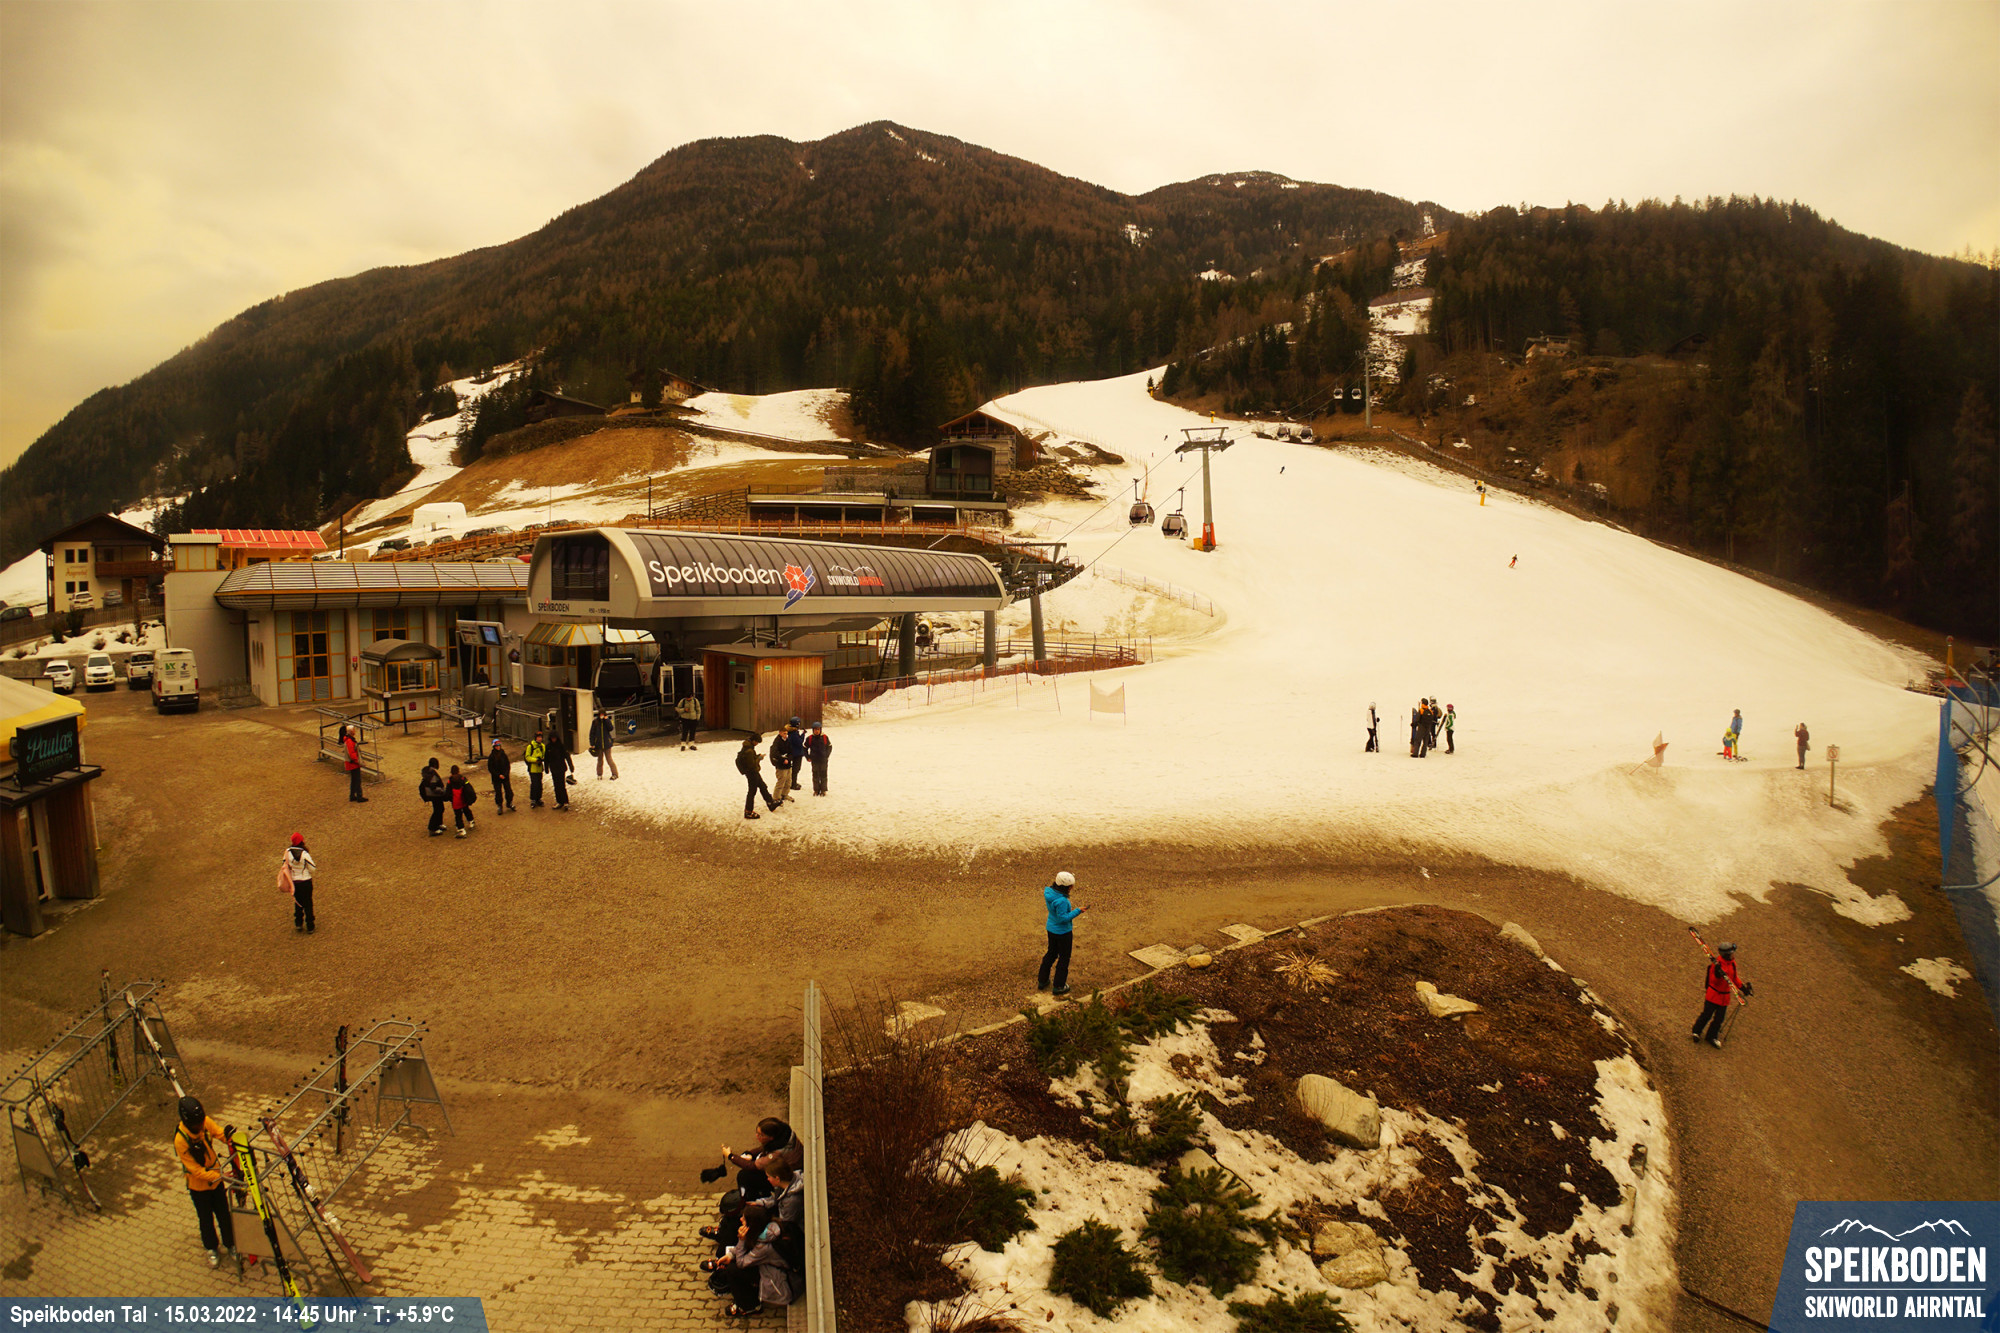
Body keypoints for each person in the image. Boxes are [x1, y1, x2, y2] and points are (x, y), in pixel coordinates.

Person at [174, 1096, 237, 1269]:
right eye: (197, 1125)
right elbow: (195, 1170)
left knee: (224, 1214)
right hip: (199, 1188)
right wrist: (219, 1176)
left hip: (216, 1182)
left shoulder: (205, 1122)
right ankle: (211, 1248)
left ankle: (230, 1244)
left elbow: (218, 1133)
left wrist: (231, 1139)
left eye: (201, 1123)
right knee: (206, 1219)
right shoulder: (180, 1140)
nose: (201, 1127)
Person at [1691, 941, 1752, 1048]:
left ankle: (1711, 1036)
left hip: (1724, 998)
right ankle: (1696, 1031)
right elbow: (1713, 981)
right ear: (1726, 954)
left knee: (1719, 1019)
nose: (1733, 955)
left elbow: (1734, 978)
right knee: (1706, 1015)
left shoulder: (1732, 964)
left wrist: (1743, 988)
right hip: (1713, 996)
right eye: (1731, 953)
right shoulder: (1716, 965)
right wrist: (1717, 974)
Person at [1038, 870, 1086, 997]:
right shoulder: (1062, 901)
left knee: (1051, 953)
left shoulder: (1050, 893)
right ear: (1067, 887)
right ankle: (1059, 985)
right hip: (1063, 932)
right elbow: (1063, 918)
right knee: (1064, 958)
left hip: (1051, 928)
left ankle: (1042, 980)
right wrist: (1078, 911)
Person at [282, 833, 317, 933]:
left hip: (294, 882)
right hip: (305, 881)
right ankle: (310, 925)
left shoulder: (287, 852)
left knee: (298, 903)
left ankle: (298, 923)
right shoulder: (304, 854)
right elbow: (313, 868)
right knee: (308, 903)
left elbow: (284, 865)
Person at [737, 736, 779, 819]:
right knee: (752, 791)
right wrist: (759, 758)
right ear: (753, 741)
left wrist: (757, 756)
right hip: (751, 773)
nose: (757, 744)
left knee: (763, 786)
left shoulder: (748, 747)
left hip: (753, 772)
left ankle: (770, 803)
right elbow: (751, 764)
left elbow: (750, 760)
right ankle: (748, 811)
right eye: (757, 742)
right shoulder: (749, 750)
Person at [770, 720, 798, 804]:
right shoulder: (777, 741)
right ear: (780, 733)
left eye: (786, 733)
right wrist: (783, 759)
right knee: (781, 781)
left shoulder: (787, 740)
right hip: (781, 765)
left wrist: (788, 759)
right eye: (784, 733)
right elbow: (775, 753)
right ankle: (776, 797)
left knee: (788, 781)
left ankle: (784, 794)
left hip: (788, 764)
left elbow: (791, 751)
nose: (786, 735)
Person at [446, 764, 477, 837]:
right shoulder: (463, 779)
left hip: (455, 801)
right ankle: (471, 821)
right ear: (458, 771)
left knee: (458, 815)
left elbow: (447, 792)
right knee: (466, 810)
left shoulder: (450, 781)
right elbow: (469, 788)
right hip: (463, 799)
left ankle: (461, 829)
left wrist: (450, 798)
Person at [589, 708, 620, 780]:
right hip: (598, 744)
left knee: (609, 760)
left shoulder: (606, 721)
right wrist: (592, 743)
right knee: (600, 761)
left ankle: (615, 774)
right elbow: (592, 733)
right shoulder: (595, 722)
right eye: (601, 714)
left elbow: (611, 728)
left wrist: (606, 720)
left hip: (607, 744)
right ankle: (599, 774)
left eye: (603, 714)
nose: (602, 715)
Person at [419, 758, 447, 836]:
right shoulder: (433, 775)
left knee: (439, 809)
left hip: (431, 795)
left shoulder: (428, 772)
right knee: (438, 810)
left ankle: (438, 823)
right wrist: (443, 791)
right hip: (435, 795)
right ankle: (432, 828)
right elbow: (434, 788)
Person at [547, 727, 573, 810]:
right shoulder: (548, 747)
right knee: (556, 786)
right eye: (552, 738)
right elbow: (546, 758)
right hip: (553, 768)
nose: (553, 739)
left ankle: (565, 801)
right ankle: (559, 801)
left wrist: (571, 766)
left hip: (561, 768)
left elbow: (567, 756)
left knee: (561, 785)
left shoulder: (561, 746)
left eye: (554, 738)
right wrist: (546, 767)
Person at [488, 737, 516, 812]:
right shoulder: (491, 756)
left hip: (505, 776)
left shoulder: (503, 754)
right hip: (496, 778)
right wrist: (498, 775)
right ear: (494, 747)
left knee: (508, 791)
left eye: (499, 745)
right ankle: (499, 805)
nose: (498, 747)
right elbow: (490, 768)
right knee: (498, 792)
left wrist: (505, 774)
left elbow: (507, 765)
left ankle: (509, 803)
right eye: (496, 746)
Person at [804, 723, 832, 795]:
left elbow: (829, 747)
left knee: (823, 775)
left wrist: (826, 755)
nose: (817, 731)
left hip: (823, 760)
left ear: (820, 730)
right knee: (815, 775)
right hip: (814, 760)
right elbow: (804, 748)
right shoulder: (810, 738)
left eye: (818, 729)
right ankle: (816, 790)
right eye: (815, 730)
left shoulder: (825, 737)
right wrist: (807, 757)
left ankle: (823, 790)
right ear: (813, 730)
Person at [342, 725, 367, 802]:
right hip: (353, 764)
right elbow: (352, 753)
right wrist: (358, 761)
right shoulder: (350, 741)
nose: (355, 731)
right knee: (357, 780)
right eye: (354, 730)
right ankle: (359, 796)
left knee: (354, 780)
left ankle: (352, 795)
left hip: (351, 763)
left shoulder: (348, 740)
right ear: (351, 731)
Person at [524, 730, 547, 808]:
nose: (540, 739)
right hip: (532, 769)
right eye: (538, 737)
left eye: (541, 737)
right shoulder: (530, 746)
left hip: (539, 768)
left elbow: (544, 755)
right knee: (534, 784)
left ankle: (538, 798)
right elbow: (527, 757)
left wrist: (542, 759)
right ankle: (533, 799)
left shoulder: (542, 746)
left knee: (539, 784)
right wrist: (535, 760)